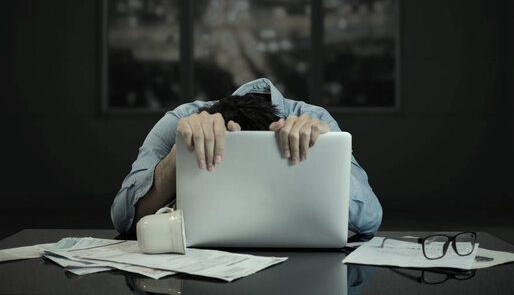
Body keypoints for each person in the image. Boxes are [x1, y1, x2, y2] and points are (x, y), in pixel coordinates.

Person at [111, 77, 383, 235]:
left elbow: (371, 218)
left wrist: (323, 157)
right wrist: (178, 154)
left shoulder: (314, 120)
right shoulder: (182, 121)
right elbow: (122, 216)